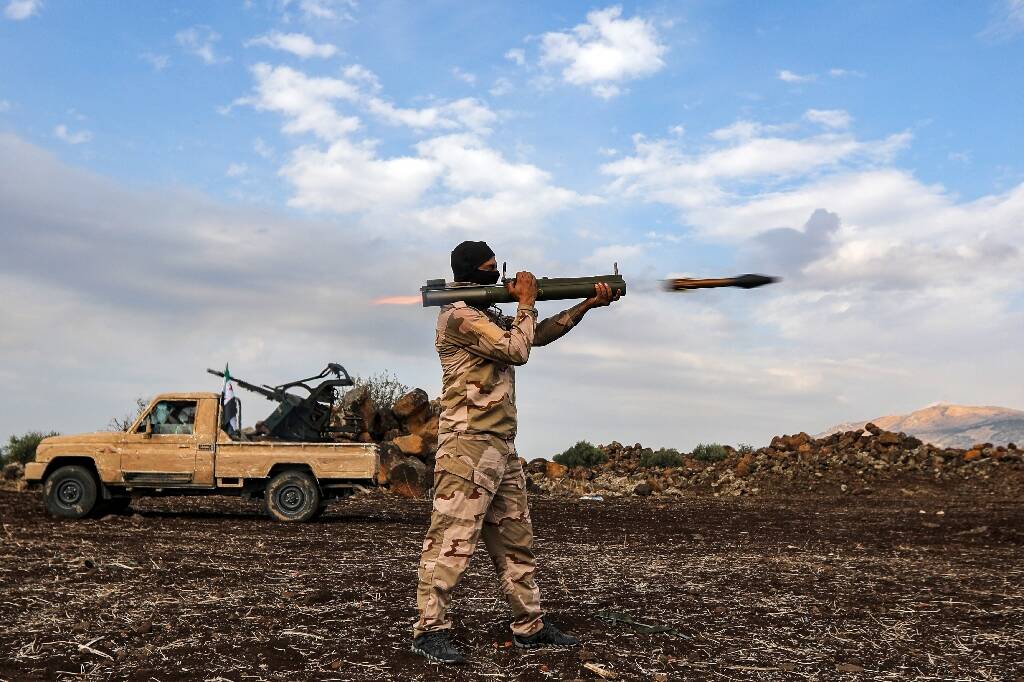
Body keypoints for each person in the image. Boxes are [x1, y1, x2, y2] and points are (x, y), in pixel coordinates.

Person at [412, 240, 620, 664]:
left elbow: (534, 335)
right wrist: (527, 301)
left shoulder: (486, 313)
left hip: (500, 449)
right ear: (472, 272)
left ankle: (530, 626)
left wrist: (586, 305)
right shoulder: (458, 315)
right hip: (467, 447)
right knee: (450, 540)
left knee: (515, 541)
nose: (497, 273)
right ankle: (429, 631)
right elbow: (517, 350)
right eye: (490, 267)